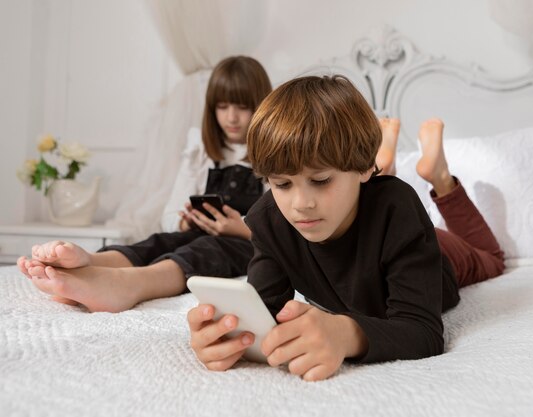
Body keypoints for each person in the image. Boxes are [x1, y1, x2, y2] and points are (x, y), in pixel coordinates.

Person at [187, 75, 505, 381]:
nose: (301, 204)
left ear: (363, 167)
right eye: (282, 184)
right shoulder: (269, 220)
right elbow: (266, 315)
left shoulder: (397, 208)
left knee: (491, 257)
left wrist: (346, 332)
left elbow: (423, 331)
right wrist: (227, 337)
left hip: (439, 252)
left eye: (321, 180)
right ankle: (384, 159)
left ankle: (441, 178)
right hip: (375, 215)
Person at [16, 56, 273, 313]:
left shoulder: (274, 157)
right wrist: (186, 221)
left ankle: (129, 284)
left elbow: (284, 231)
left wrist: (241, 228)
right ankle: (92, 264)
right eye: (222, 106)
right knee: (161, 241)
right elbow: (169, 217)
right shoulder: (200, 152)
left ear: (260, 107)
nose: (231, 117)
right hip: (199, 234)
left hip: (248, 245)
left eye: (241, 107)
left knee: (206, 249)